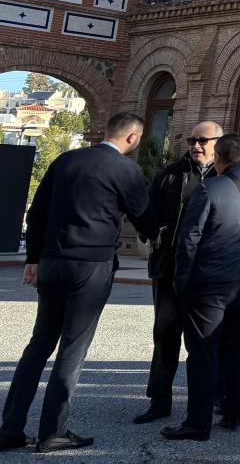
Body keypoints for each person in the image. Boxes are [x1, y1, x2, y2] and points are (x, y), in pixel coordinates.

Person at [1, 113, 158, 454]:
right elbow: (144, 217)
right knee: (72, 350)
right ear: (132, 138)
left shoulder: (65, 160)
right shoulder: (126, 169)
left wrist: (33, 259)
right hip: (91, 265)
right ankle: (52, 432)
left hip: (52, 261)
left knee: (39, 345)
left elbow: (37, 212)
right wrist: (157, 233)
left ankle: (10, 429)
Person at [162, 134, 240, 441]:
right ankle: (233, 414)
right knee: (235, 346)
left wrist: (181, 280)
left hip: (210, 284)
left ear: (218, 158)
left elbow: (189, 239)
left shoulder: (209, 188)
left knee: (203, 352)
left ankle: (197, 423)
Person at [135, 120, 223, 425]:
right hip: (169, 267)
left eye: (203, 141)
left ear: (218, 143)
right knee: (165, 335)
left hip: (206, 272)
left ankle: (213, 398)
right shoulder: (171, 174)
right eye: (192, 141)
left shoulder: (224, 177)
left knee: (208, 338)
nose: (196, 146)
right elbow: (146, 208)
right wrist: (149, 231)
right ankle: (159, 400)